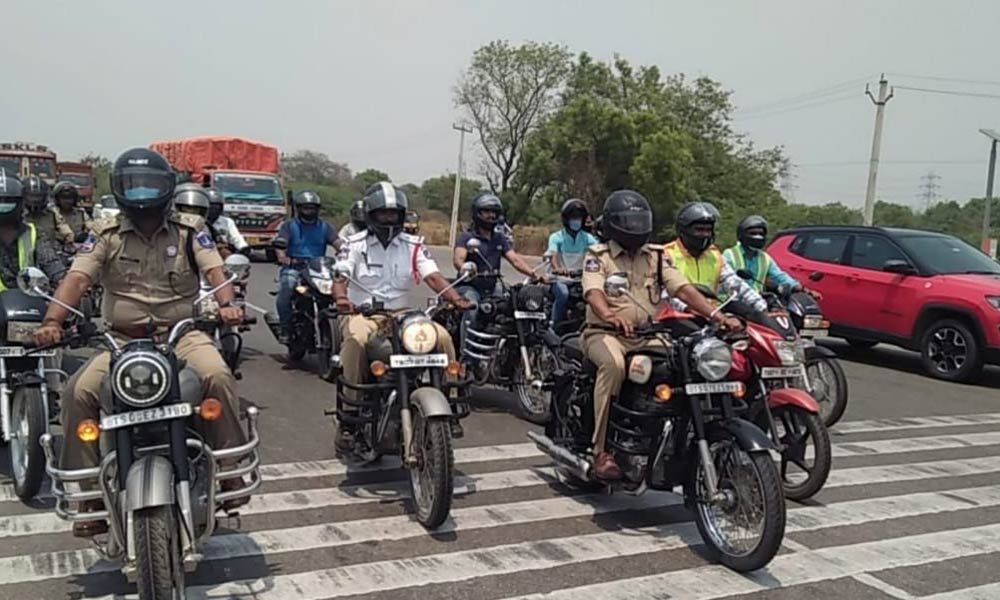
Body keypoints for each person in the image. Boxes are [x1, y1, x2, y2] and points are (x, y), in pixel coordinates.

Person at [33, 148, 248, 537]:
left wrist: (228, 305)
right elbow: (78, 278)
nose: (143, 193)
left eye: (151, 184)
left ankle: (229, 472)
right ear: (120, 189)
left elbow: (216, 271)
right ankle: (90, 497)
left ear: (166, 188)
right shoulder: (105, 233)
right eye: (134, 185)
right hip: (120, 342)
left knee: (217, 374)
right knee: (78, 392)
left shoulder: (189, 229)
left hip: (180, 335)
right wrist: (52, 321)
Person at [582, 190, 741, 480]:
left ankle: (673, 433)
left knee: (687, 361)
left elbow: (683, 289)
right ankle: (600, 450)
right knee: (614, 366)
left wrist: (717, 315)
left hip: (648, 334)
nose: (635, 227)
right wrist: (610, 316)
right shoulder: (599, 256)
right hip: (604, 334)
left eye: (640, 220)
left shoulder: (655, 257)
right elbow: (593, 292)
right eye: (629, 221)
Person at [333, 181, 471, 451]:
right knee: (356, 342)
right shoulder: (354, 244)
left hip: (404, 314)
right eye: (384, 213)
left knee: (441, 337)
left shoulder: (413, 245)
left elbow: (432, 275)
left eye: (394, 214)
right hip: (364, 313)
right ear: (371, 215)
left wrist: (456, 298)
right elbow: (341, 274)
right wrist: (341, 298)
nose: (390, 219)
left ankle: (450, 401)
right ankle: (351, 414)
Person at [452, 193, 547, 355]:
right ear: (477, 213)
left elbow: (515, 260)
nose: (491, 215)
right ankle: (466, 359)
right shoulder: (467, 237)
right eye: (486, 211)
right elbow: (458, 259)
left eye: (494, 212)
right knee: (473, 309)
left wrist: (533, 274)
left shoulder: (499, 238)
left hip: (493, 286)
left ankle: (505, 355)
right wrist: (465, 269)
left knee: (512, 308)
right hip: (469, 286)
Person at [664, 201, 768, 314]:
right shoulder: (667, 254)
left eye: (708, 230)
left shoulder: (714, 255)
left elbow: (734, 283)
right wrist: (690, 308)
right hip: (679, 316)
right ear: (683, 230)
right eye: (699, 230)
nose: (705, 235)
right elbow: (665, 294)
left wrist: (762, 307)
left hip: (713, 316)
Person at [271, 190, 339, 345]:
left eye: (312, 208)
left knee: (337, 290)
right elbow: (280, 243)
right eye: (306, 208)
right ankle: (286, 328)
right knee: (287, 287)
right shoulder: (289, 226)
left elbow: (338, 243)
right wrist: (282, 257)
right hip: (295, 267)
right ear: (299, 208)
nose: (309, 211)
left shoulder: (325, 227)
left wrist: (345, 252)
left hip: (318, 269)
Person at [723, 215, 822, 299]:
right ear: (741, 234)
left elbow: (780, 276)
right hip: (732, 300)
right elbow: (725, 279)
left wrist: (803, 289)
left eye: (761, 234)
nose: (757, 237)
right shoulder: (730, 254)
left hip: (757, 301)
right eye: (753, 233)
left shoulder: (765, 258)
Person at [0, 174, 66, 288]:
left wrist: (65, 282)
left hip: (27, 300)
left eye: (10, 200)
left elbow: (51, 262)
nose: (4, 203)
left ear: (21, 202)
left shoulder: (33, 233)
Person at [547, 199, 598, 327]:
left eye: (579, 218)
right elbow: (552, 255)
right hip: (559, 279)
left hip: (580, 280)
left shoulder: (587, 238)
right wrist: (557, 268)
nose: (577, 221)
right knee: (563, 294)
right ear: (566, 219)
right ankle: (554, 325)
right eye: (574, 217)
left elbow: (599, 252)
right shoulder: (556, 237)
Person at [23, 175, 75, 246]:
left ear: (44, 197)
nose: (35, 200)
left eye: (38, 196)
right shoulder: (18, 215)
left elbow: (63, 226)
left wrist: (68, 235)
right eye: (31, 196)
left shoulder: (52, 213)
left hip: (48, 252)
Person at [205, 187, 250, 257]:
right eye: (211, 207)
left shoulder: (227, 222)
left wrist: (243, 247)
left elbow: (236, 238)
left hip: (221, 254)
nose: (213, 210)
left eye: (216, 207)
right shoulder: (199, 221)